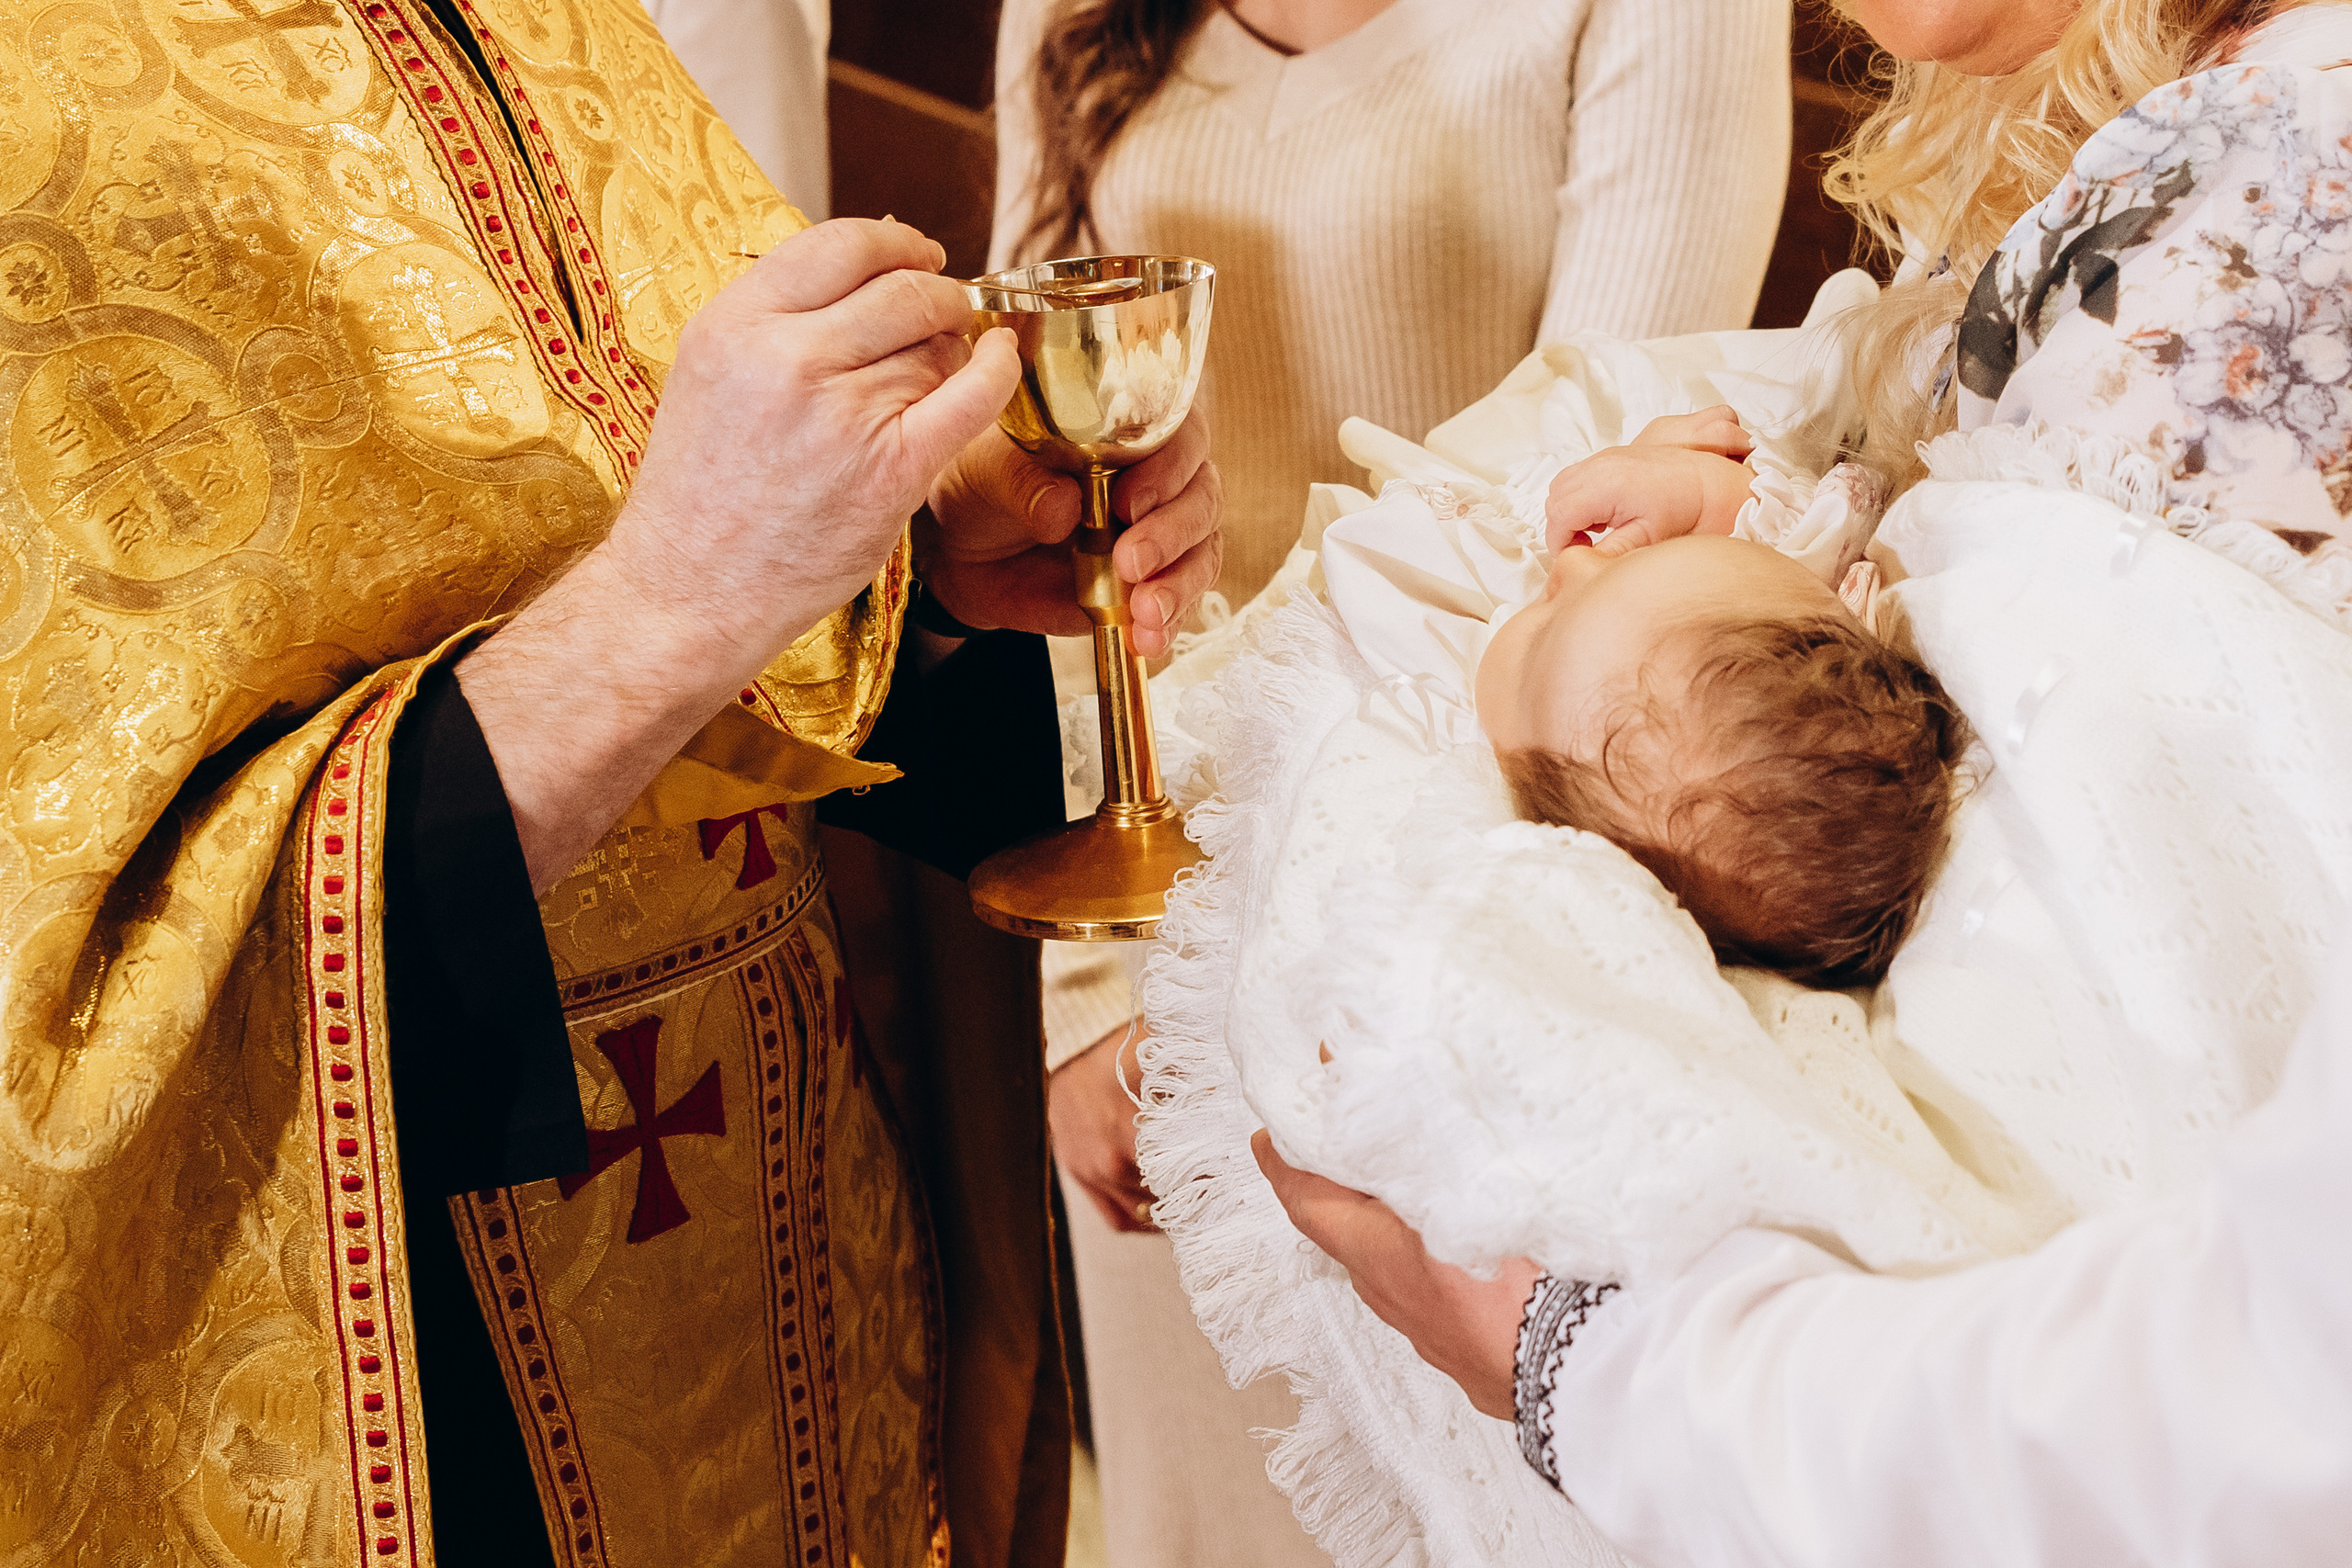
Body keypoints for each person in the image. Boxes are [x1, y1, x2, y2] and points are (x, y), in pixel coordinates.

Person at [0, 4, 1220, 1568]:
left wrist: (916, 570)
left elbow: (613, 488)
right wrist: (676, 603)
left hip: (796, 1251)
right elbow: (70, 989)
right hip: (423, 1358)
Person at [1251, 0, 2352, 1562]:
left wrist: (1587, 1363)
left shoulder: (2275, 150)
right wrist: (1760, 530)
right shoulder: (2166, 113)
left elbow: (2227, 1384)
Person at [989, 0, 1788, 1555]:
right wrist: (1093, 974)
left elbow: (1593, 516)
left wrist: (1272, 939)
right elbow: (1046, 499)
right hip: (1168, 918)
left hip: (1472, 934)